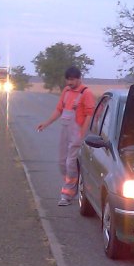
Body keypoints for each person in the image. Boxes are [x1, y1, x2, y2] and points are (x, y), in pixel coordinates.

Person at [36, 66, 96, 206]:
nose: (70, 82)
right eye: (68, 79)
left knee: (70, 163)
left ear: (79, 78)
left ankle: (67, 194)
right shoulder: (66, 91)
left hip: (77, 132)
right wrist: (46, 124)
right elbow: (59, 110)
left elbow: (89, 115)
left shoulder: (86, 93)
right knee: (62, 163)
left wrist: (82, 133)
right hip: (65, 131)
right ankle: (72, 185)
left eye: (72, 80)